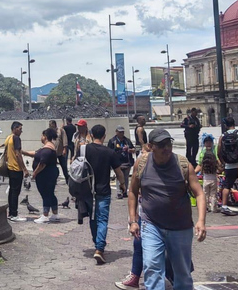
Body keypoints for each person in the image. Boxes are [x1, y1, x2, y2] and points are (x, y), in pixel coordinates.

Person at [127, 128, 206, 289]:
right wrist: (133, 220)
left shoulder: (182, 164)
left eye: (168, 144)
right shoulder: (141, 163)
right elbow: (133, 192)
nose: (166, 149)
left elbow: (199, 193)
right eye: (161, 145)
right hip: (151, 225)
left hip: (180, 227)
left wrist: (201, 221)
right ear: (150, 146)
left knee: (182, 273)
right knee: (151, 266)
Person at [84, 124, 126, 264]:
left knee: (92, 218)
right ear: (104, 136)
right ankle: (99, 248)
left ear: (91, 134)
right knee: (102, 219)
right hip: (103, 190)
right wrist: (122, 185)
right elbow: (118, 172)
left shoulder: (84, 149)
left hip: (88, 191)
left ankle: (97, 243)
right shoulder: (109, 152)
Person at [31, 128, 60, 224]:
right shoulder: (48, 147)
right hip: (51, 173)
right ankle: (55, 214)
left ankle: (45, 215)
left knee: (45, 193)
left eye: (42, 135)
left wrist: (35, 173)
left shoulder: (47, 149)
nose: (41, 137)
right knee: (50, 193)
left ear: (45, 137)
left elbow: (42, 163)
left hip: (46, 174)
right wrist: (23, 152)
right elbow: (36, 154)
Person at [5, 121, 30, 221]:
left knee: (11, 191)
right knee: (16, 192)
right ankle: (14, 214)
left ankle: (11, 213)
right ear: (15, 129)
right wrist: (24, 169)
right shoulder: (16, 138)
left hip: (10, 168)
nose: (21, 131)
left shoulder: (8, 138)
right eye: (20, 129)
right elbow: (18, 154)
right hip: (16, 168)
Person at [195, 135, 220, 213]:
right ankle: (214, 208)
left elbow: (200, 165)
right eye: (207, 142)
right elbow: (218, 164)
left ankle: (205, 208)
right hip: (213, 178)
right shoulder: (213, 152)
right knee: (213, 194)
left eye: (210, 142)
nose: (208, 144)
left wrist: (198, 173)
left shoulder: (205, 153)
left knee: (205, 194)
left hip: (206, 178)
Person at [107, 125, 134, 198]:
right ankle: (119, 192)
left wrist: (130, 150)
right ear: (116, 132)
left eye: (122, 132)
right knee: (119, 177)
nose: (121, 133)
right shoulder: (112, 141)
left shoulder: (127, 140)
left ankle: (124, 192)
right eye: (120, 132)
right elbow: (109, 151)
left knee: (126, 177)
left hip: (127, 161)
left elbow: (133, 149)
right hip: (117, 162)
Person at [49, 119, 70, 183]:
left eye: (51, 125)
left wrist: (65, 149)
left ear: (54, 125)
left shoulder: (61, 130)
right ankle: (53, 180)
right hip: (53, 153)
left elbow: (65, 140)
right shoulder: (49, 132)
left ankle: (67, 179)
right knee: (53, 167)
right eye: (49, 125)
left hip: (61, 152)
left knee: (64, 167)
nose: (50, 126)